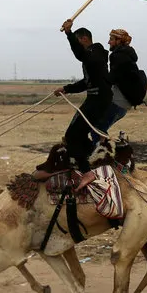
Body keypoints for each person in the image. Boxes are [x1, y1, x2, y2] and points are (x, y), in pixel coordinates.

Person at [54, 19, 112, 191]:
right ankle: (90, 160)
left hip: (98, 100)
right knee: (77, 135)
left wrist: (69, 34)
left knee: (71, 136)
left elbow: (81, 54)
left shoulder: (96, 51)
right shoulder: (93, 59)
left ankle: (87, 172)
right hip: (95, 98)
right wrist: (66, 88)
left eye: (79, 42)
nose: (78, 46)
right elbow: (86, 83)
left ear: (85, 39)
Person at [90, 28, 138, 145]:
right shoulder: (127, 55)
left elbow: (111, 78)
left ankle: (102, 158)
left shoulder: (117, 56)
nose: (108, 42)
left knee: (97, 130)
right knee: (99, 129)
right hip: (124, 103)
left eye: (111, 39)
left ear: (118, 41)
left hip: (118, 102)